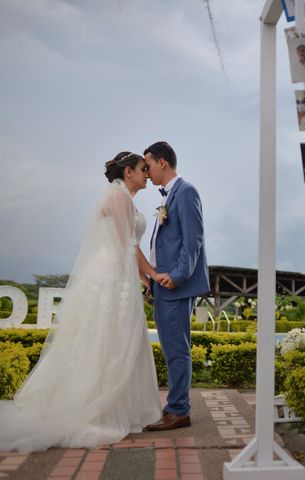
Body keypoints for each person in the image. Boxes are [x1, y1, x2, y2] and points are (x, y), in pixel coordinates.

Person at [0, 152, 163, 452]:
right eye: (143, 169)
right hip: (110, 276)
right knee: (103, 337)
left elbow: (128, 245)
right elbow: (128, 243)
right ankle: (95, 408)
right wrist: (151, 273)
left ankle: (122, 408)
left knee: (118, 337)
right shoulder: (118, 199)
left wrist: (142, 278)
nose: (147, 175)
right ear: (128, 172)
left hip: (121, 274)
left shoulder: (125, 199)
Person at [143, 141, 210, 431]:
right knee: (171, 348)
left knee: (177, 349)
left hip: (176, 286)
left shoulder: (186, 192)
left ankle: (179, 410)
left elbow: (193, 239)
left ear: (162, 163)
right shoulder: (169, 197)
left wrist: (178, 275)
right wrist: (152, 281)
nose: (146, 172)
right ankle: (175, 406)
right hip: (162, 285)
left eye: (148, 165)